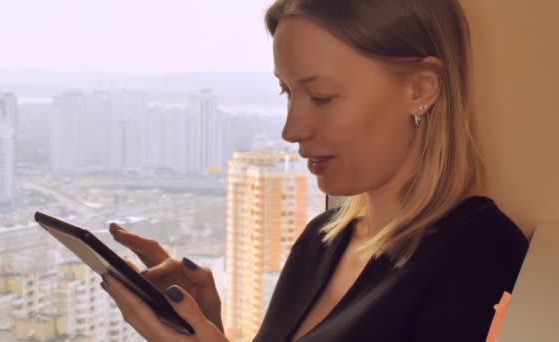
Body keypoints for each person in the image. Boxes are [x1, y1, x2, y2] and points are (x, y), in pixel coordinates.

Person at [100, 0, 529, 340]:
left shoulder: (482, 258)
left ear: (420, 88)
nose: (291, 129)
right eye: (287, 92)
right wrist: (207, 325)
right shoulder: (320, 241)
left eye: (321, 96)